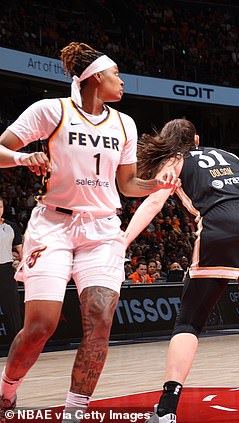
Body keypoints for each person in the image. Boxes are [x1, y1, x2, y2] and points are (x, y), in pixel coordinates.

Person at [0, 41, 178, 420]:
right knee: (40, 327)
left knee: (99, 318)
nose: (122, 81)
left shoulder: (124, 123)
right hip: (53, 224)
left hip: (101, 229)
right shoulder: (52, 110)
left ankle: (74, 410)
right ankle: (7, 390)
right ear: (97, 77)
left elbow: (127, 184)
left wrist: (157, 184)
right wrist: (22, 157)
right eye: (116, 74)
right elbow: (2, 147)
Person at [122, 119, 239, 421]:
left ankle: (167, 409)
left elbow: (155, 201)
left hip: (225, 227)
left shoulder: (174, 160)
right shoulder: (228, 156)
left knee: (189, 321)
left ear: (170, 142)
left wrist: (123, 241)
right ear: (196, 139)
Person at [0, 196, 23, 340]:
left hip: (6, 270)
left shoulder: (11, 226)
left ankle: (18, 344)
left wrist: (21, 266)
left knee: (12, 309)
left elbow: (21, 252)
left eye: (1, 207)